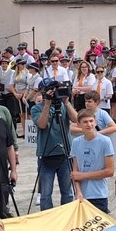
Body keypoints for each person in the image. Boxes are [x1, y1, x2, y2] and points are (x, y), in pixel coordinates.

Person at [31, 80, 78, 210]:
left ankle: (67, 216)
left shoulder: (63, 105)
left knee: (67, 192)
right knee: (45, 194)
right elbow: (42, 124)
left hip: (65, 155)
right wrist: (47, 104)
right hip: (46, 155)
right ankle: (47, 218)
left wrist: (66, 102)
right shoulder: (36, 108)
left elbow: (76, 119)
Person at [71, 109, 115, 213]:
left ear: (95, 122)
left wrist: (83, 176)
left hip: (99, 194)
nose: (89, 124)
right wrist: (78, 191)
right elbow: (75, 172)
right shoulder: (76, 142)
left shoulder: (105, 141)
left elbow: (110, 171)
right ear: (79, 124)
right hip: (82, 195)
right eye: (85, 122)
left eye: (91, 121)